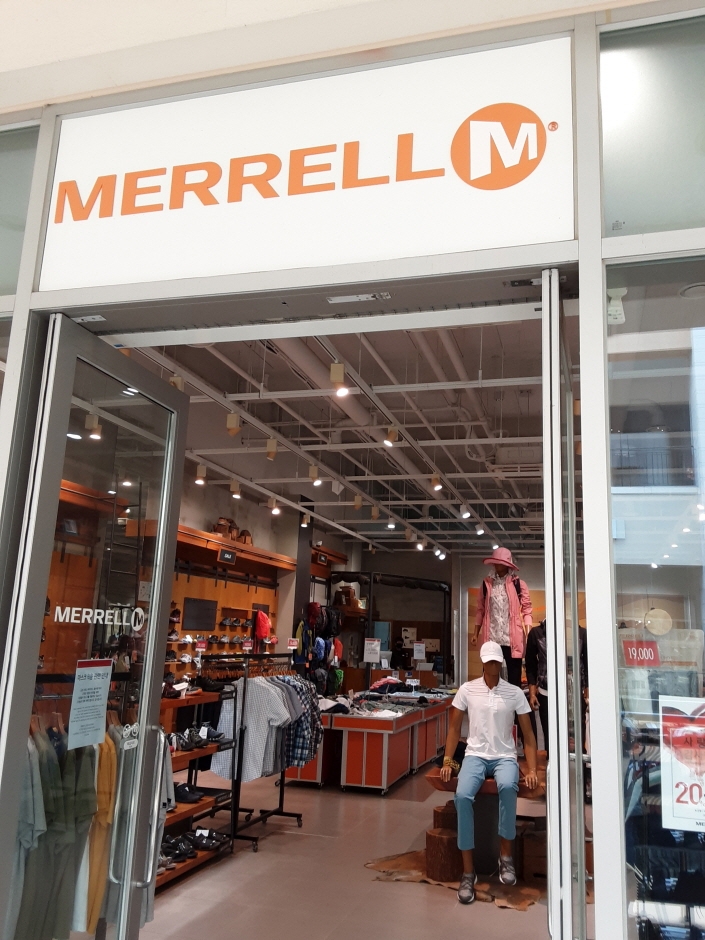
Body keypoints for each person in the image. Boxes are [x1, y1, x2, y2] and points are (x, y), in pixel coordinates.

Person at [440, 640, 538, 905]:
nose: (493, 665)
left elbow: (528, 735)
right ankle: (468, 872)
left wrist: (531, 769)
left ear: (501, 663)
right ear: (483, 662)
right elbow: (454, 729)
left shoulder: (514, 692)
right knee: (462, 797)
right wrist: (448, 761)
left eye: (497, 661)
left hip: (504, 756)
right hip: (475, 755)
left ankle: (505, 857)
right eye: (489, 661)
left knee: (508, 787)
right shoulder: (467, 689)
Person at [525, 619, 590, 757]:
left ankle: (580, 768)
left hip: (574, 693)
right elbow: (530, 664)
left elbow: (587, 663)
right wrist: (532, 692)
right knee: (551, 737)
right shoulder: (537, 633)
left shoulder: (580, 633)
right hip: (547, 692)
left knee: (577, 737)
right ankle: (553, 765)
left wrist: (587, 691)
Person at [471, 546, 532, 688]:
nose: (497, 565)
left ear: (507, 564)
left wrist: (528, 633)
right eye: (495, 562)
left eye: (500, 562)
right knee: (489, 678)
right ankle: (489, 701)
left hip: (512, 639)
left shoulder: (518, 584)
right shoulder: (486, 584)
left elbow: (527, 609)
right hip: (492, 638)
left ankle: (514, 703)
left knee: (514, 679)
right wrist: (475, 633)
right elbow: (480, 609)